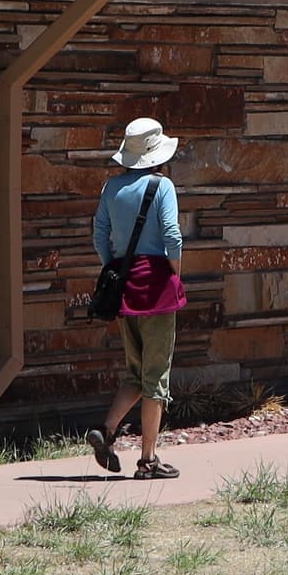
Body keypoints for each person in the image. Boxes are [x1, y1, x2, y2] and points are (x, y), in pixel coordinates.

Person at [88, 116, 188, 480]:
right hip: (157, 287)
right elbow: (173, 236)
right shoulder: (162, 186)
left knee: (136, 369)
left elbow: (100, 235)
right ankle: (148, 459)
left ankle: (107, 430)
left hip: (125, 287)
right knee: (156, 377)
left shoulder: (110, 189)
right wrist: (173, 271)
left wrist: (115, 269)